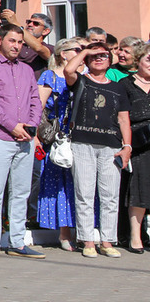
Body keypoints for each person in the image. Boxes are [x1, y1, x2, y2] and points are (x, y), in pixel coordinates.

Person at [0, 23, 45, 260]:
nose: (17, 46)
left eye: (20, 42)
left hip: (25, 138)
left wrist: (30, 126)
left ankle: (17, 241)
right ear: (0, 41)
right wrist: (12, 126)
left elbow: (35, 99)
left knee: (21, 192)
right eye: (12, 41)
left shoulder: (26, 70)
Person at [62, 40, 132, 258]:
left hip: (111, 146)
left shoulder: (118, 87)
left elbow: (123, 120)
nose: (99, 58)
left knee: (110, 195)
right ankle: (88, 241)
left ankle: (107, 241)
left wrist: (127, 146)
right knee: (84, 193)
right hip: (83, 143)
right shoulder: (81, 81)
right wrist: (85, 51)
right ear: (87, 59)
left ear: (110, 60)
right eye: (95, 56)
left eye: (103, 55)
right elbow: (68, 69)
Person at [36, 37, 82, 251]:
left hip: (81, 136)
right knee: (61, 184)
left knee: (81, 185)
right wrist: (35, 135)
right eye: (78, 50)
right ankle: (64, 233)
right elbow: (38, 106)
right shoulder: (50, 76)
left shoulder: (85, 77)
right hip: (58, 138)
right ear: (64, 54)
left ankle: (83, 231)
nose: (83, 54)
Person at [119, 41, 150, 254]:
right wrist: (127, 144)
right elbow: (122, 117)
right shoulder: (125, 84)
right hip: (138, 142)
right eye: (149, 59)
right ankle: (135, 237)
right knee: (139, 190)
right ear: (138, 60)